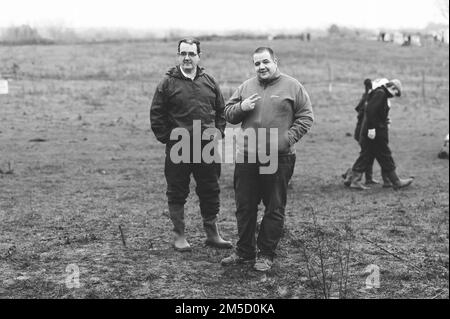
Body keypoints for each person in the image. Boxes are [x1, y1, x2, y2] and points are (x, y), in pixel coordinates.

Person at [220, 47, 314, 271]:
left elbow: (306, 116)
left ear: (275, 62)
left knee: (274, 207)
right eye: (256, 64)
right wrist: (241, 107)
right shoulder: (246, 86)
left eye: (265, 62)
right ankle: (244, 252)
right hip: (247, 157)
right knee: (245, 206)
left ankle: (266, 254)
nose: (261, 67)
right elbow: (228, 113)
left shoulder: (293, 86)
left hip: (279, 158)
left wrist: (286, 139)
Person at [150, 38, 232, 251]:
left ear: (198, 56)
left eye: (191, 54)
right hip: (179, 146)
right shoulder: (167, 83)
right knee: (177, 190)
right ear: (178, 56)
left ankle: (212, 234)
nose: (187, 58)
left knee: (210, 189)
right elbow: (156, 115)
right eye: (183, 53)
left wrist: (218, 133)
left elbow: (221, 111)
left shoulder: (209, 81)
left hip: (207, 146)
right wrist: (169, 138)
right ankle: (179, 235)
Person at [346, 79, 414, 190]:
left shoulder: (379, 93)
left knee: (367, 155)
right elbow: (370, 111)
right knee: (384, 154)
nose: (394, 96)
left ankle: (353, 179)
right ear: (392, 88)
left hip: (374, 131)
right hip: (375, 132)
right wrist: (372, 129)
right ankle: (396, 181)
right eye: (396, 93)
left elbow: (374, 112)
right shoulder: (381, 94)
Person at [343, 78, 393, 188]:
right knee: (367, 154)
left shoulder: (370, 96)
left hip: (364, 131)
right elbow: (366, 115)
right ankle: (351, 175)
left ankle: (365, 178)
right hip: (364, 132)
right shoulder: (374, 97)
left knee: (369, 154)